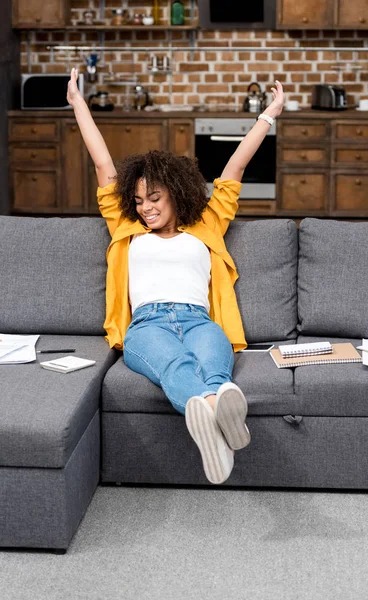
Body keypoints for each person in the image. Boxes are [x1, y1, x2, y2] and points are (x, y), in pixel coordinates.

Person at [67, 69, 284, 485]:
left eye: (154, 198)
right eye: (138, 201)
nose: (145, 208)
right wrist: (78, 103)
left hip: (200, 321)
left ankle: (215, 420)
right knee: (179, 364)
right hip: (147, 327)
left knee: (218, 372)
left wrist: (270, 113)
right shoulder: (126, 228)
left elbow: (236, 163)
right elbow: (102, 163)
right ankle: (210, 414)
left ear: (176, 193)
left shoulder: (207, 223)